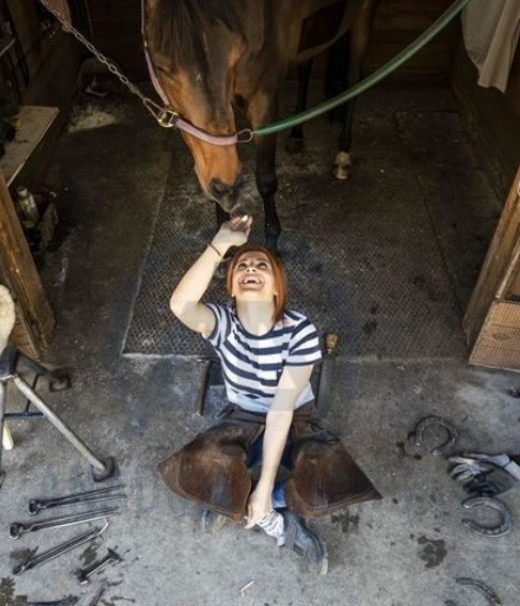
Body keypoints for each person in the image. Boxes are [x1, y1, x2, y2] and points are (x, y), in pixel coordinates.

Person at [158, 216, 380, 574]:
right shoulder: (221, 321)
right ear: (230, 287)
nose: (250, 268)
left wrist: (263, 491)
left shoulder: (300, 330)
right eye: (242, 266)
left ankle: (263, 506)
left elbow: (281, 410)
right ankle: (257, 511)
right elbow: (181, 305)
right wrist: (219, 244)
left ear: (277, 287)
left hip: (293, 414)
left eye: (262, 266)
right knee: (200, 468)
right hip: (242, 415)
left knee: (326, 479)